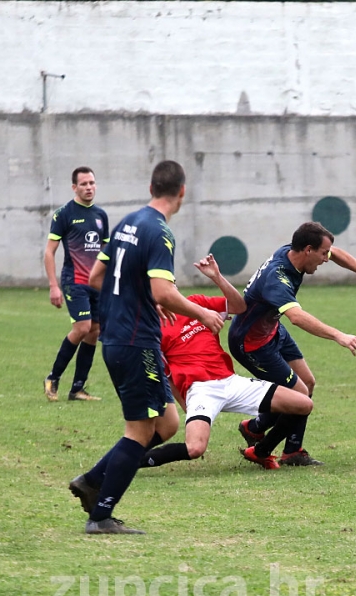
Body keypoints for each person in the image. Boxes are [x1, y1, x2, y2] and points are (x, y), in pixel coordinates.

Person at [66, 160, 224, 535]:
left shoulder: (129, 221)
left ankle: (90, 479)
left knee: (168, 423)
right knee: (138, 431)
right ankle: (100, 514)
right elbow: (163, 292)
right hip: (137, 343)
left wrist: (132, 301)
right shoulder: (160, 232)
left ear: (151, 186)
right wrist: (201, 312)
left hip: (119, 338)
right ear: (181, 192)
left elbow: (96, 276)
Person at [228, 221, 356, 466]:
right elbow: (297, 317)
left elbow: (336, 254)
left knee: (308, 383)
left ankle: (282, 445)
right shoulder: (277, 278)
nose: (326, 259)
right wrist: (339, 335)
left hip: (272, 330)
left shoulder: (294, 251)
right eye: (323, 254)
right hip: (250, 343)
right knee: (301, 396)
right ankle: (261, 450)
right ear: (308, 250)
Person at [140, 253, 314, 471]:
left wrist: (217, 277)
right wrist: (188, 406)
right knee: (195, 448)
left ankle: (260, 452)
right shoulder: (152, 330)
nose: (172, 290)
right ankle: (130, 462)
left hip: (231, 382)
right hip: (201, 390)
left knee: (303, 403)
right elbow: (167, 376)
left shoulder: (197, 303)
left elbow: (239, 307)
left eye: (172, 284)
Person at [43, 167, 110, 401]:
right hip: (75, 281)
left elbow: (104, 253)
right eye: (83, 184)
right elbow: (49, 252)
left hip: (97, 283)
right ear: (75, 187)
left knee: (94, 331)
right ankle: (53, 377)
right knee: (82, 327)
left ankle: (77, 388)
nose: (89, 187)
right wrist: (54, 286)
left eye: (92, 183)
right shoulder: (64, 214)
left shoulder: (101, 216)